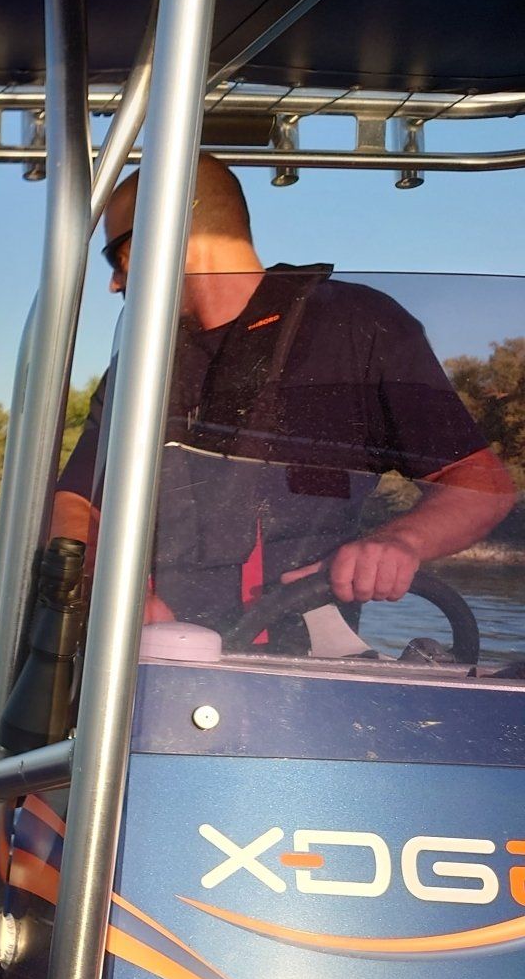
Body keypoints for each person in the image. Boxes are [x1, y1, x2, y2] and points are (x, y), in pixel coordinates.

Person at [53, 155, 515, 646]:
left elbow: (480, 484)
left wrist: (397, 541)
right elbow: (76, 503)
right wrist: (113, 589)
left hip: (300, 679)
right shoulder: (140, 364)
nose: (115, 283)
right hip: (150, 668)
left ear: (169, 234)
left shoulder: (358, 326)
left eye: (117, 259)